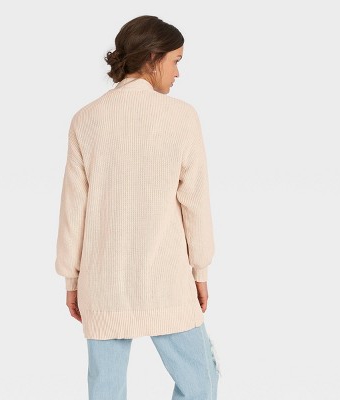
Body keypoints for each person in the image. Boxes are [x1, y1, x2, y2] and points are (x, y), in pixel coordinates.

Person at [55, 14, 221, 400]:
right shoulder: (181, 117)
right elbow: (195, 203)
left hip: (102, 281)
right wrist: (200, 270)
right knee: (202, 381)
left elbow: (73, 210)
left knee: (105, 389)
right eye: (175, 61)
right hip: (168, 280)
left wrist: (72, 280)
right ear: (152, 57)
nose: (178, 73)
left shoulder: (86, 119)